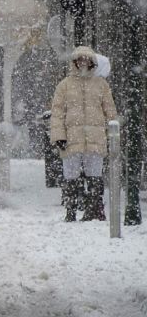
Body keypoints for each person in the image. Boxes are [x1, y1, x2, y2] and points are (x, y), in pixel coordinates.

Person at [49, 46, 117, 222]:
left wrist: (114, 135)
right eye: (80, 59)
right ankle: (70, 211)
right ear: (75, 62)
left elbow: (110, 111)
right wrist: (59, 136)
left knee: (95, 175)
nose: (83, 62)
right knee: (70, 176)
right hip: (71, 139)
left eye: (86, 59)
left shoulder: (101, 85)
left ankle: (93, 210)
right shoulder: (64, 85)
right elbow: (57, 113)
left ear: (92, 62)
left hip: (95, 139)